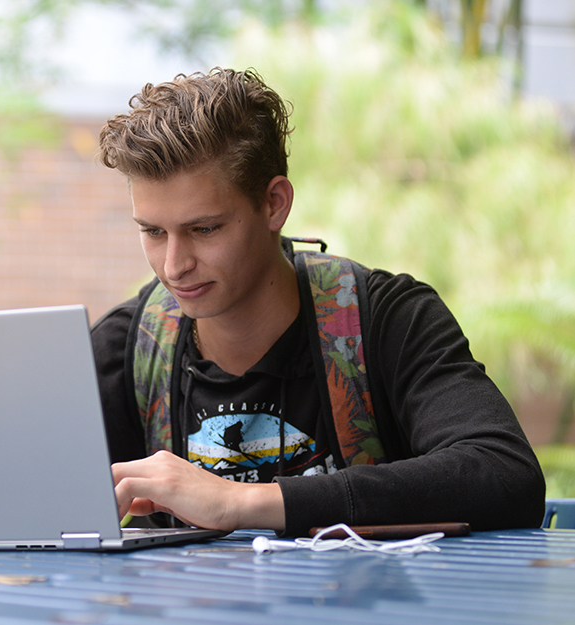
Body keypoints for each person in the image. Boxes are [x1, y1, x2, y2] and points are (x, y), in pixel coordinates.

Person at [91, 67, 545, 537]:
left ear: (274, 204)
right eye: (152, 231)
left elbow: (506, 476)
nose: (173, 265)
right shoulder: (128, 346)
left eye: (204, 229)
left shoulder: (388, 319)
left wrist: (241, 502)